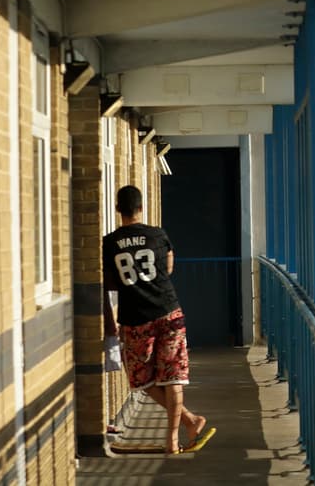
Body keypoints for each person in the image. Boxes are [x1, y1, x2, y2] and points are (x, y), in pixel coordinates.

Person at [103, 185, 210, 454]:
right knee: (173, 377)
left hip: (135, 319)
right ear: (141, 208)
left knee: (141, 380)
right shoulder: (158, 235)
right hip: (168, 311)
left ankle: (189, 422)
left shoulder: (110, 242)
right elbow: (169, 268)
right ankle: (176, 434)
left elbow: (110, 282)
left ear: (118, 210)